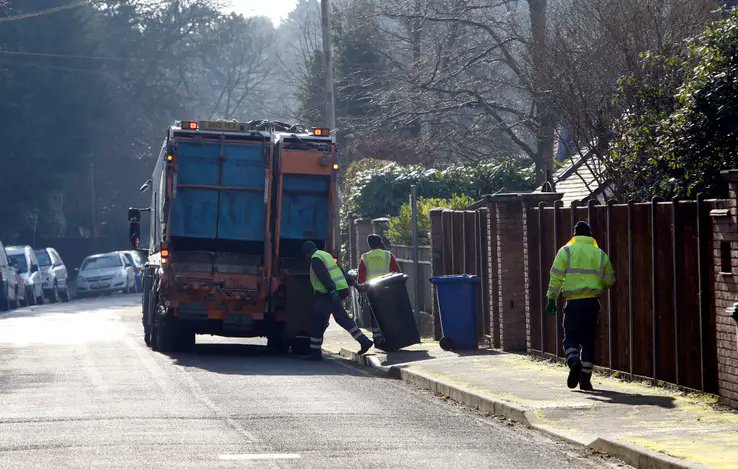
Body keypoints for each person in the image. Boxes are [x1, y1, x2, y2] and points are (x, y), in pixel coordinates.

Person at [545, 221, 615, 391]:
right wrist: (599, 286)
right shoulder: (599, 253)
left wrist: (551, 299)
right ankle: (585, 380)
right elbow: (610, 280)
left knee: (570, 337)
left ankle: (574, 362)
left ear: (574, 235)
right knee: (588, 340)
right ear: (590, 235)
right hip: (592, 303)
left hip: (573, 303)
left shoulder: (566, 251)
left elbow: (556, 278)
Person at [303, 241, 373, 361]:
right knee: (342, 319)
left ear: (307, 253)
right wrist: (355, 284)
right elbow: (341, 271)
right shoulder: (326, 255)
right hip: (339, 291)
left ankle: (315, 353)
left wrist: (331, 290)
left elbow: (323, 275)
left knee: (318, 321)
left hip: (326, 294)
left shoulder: (315, 259)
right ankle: (364, 341)